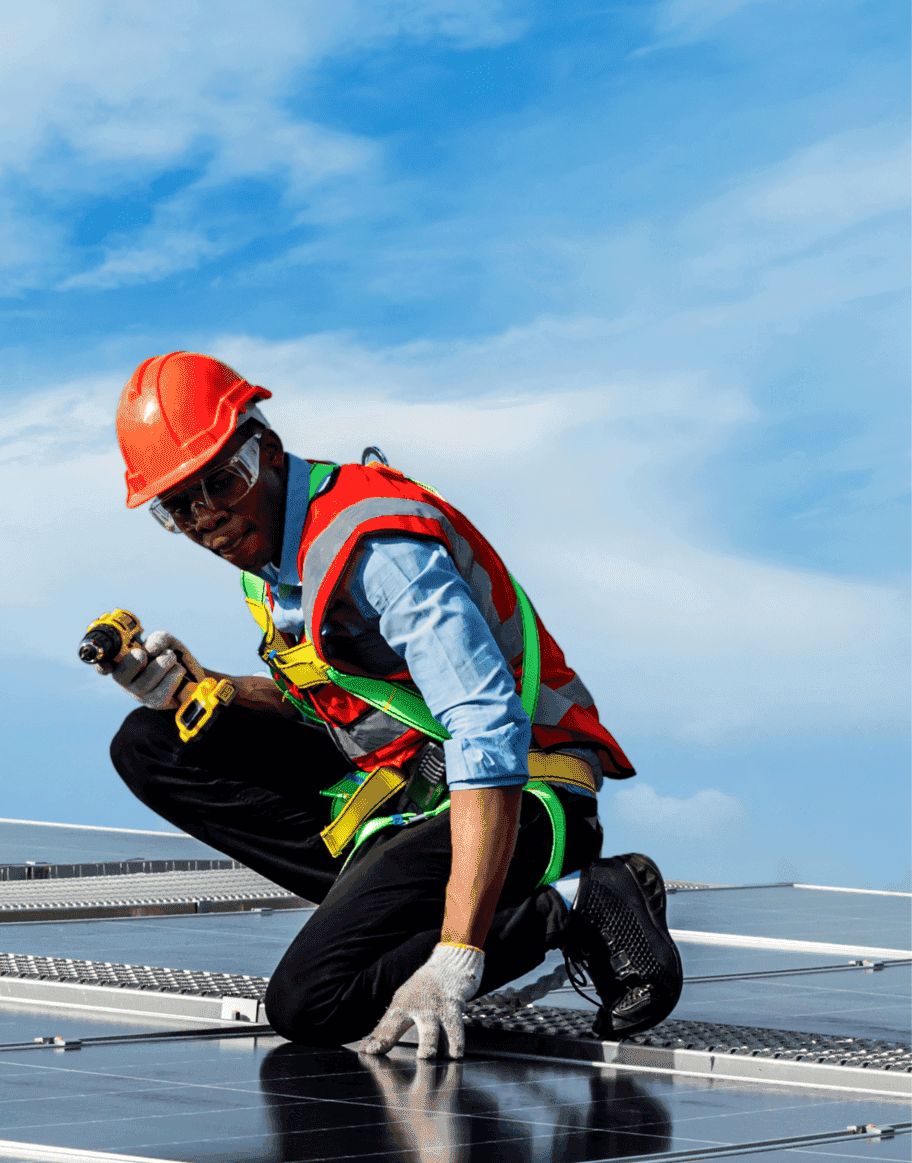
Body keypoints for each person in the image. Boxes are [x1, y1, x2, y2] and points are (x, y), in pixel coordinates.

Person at [98, 352, 681, 1056]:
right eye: (179, 506)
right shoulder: (272, 562)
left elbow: (484, 727)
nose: (208, 516)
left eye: (223, 481)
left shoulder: (375, 546)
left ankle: (579, 901)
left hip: (523, 797)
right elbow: (332, 706)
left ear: (269, 452)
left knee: (310, 1003)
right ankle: (386, 913)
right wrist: (195, 690)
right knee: (151, 742)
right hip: (409, 792)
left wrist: (460, 957)